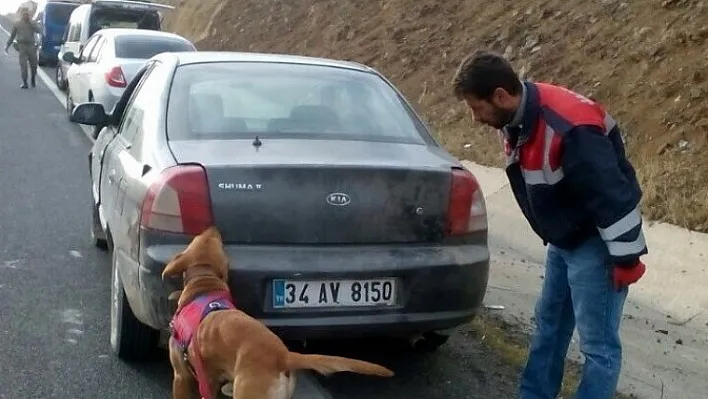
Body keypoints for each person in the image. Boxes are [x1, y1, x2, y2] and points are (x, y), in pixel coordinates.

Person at [452, 50, 648, 399]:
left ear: (500, 95)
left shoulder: (570, 126)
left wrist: (626, 257)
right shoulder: (516, 119)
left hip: (596, 243)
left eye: (476, 108)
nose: (474, 118)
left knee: (598, 347)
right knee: (549, 327)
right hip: (563, 239)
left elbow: (611, 194)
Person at [4, 7, 41, 89]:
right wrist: (7, 46)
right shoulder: (17, 24)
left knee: (34, 65)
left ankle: (33, 79)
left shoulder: (32, 23)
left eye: (27, 14)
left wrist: (33, 24)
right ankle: (25, 83)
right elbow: (12, 36)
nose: (26, 16)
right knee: (23, 66)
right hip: (22, 47)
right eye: (24, 14)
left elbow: (39, 31)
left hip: (31, 46)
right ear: (21, 15)